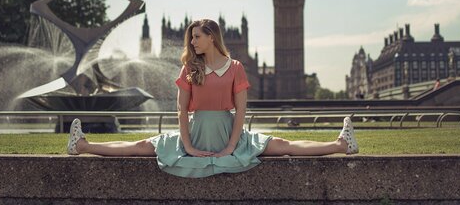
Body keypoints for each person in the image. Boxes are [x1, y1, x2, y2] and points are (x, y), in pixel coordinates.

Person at [67, 19, 358, 178]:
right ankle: (82, 144)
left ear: (212, 38)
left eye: (197, 37)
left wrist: (233, 144)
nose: (192, 42)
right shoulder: (188, 68)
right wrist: (189, 146)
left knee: (283, 145)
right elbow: (181, 111)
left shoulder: (236, 68)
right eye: (191, 37)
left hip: (228, 131)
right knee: (142, 146)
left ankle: (340, 143)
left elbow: (242, 110)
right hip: (195, 132)